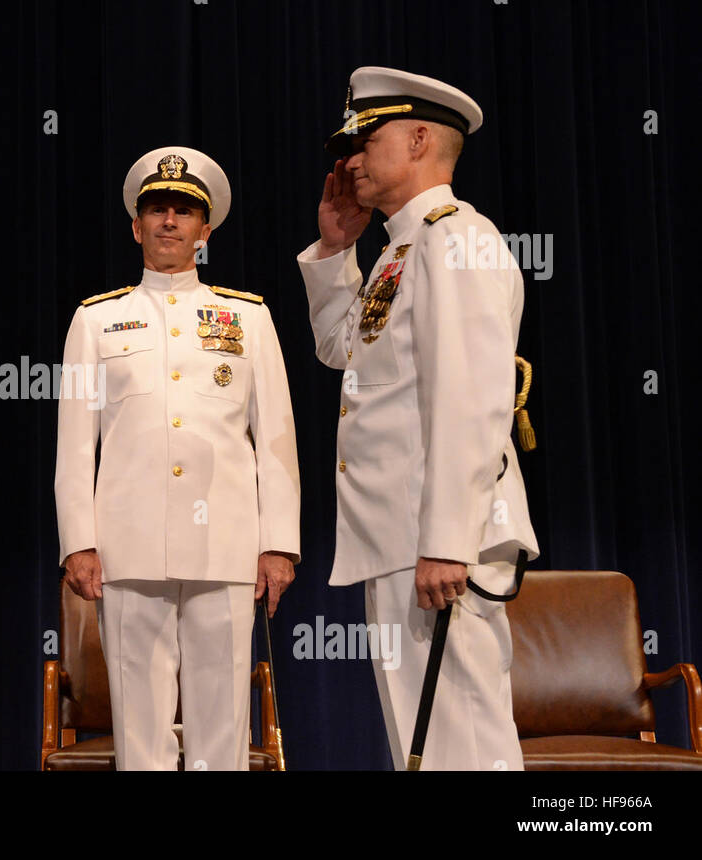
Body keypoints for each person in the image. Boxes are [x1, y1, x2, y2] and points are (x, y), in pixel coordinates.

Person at [297, 67, 539, 770]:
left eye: (365, 139)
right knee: (424, 747)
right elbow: (342, 350)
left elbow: (472, 402)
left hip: (438, 540)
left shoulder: (457, 239)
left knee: (463, 741)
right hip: (402, 536)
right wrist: (338, 250)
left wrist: (447, 541)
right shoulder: (402, 249)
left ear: (419, 139)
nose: (349, 160)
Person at [55, 146, 300, 770]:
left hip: (227, 542)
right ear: (136, 227)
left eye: (183, 211)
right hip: (127, 545)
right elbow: (76, 443)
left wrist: (278, 543)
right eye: (156, 210)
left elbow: (275, 439)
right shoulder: (96, 320)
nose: (169, 222)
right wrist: (77, 541)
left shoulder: (249, 317)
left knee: (223, 728)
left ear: (205, 229)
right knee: (139, 729)